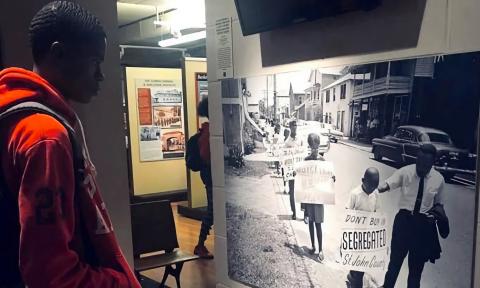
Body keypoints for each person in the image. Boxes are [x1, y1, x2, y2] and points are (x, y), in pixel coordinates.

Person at [0, 2, 141, 287]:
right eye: (95, 62)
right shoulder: (45, 136)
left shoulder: (14, 116)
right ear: (59, 53)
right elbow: (51, 273)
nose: (100, 75)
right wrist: (117, 283)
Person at [379, 144, 445, 288]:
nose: (421, 167)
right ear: (416, 158)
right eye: (419, 162)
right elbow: (388, 184)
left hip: (422, 228)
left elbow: (439, 204)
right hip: (404, 222)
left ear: (432, 163)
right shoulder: (406, 171)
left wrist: (435, 216)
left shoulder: (439, 179)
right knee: (394, 263)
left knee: (416, 270)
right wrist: (375, 189)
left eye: (425, 164)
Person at [302, 133, 335, 262]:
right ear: (309, 147)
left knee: (318, 223)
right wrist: (303, 206)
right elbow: (303, 183)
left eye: (316, 148)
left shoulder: (322, 161)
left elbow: (329, 176)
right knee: (310, 222)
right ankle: (313, 246)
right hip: (309, 197)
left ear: (319, 147)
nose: (314, 150)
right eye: (312, 148)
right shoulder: (306, 160)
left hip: (319, 198)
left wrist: (332, 178)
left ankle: (321, 249)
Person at [345, 168, 380, 288]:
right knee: (359, 263)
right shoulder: (355, 193)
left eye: (374, 187)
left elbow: (375, 211)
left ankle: (352, 276)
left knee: (363, 263)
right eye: (369, 186)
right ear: (363, 180)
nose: (371, 189)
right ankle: (355, 281)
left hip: (368, 233)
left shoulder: (376, 193)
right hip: (356, 233)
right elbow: (348, 213)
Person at [194, 97, 214, 259]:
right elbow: (207, 156)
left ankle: (200, 244)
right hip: (211, 176)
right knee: (212, 211)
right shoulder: (208, 133)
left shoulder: (208, 130)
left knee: (213, 210)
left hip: (209, 175)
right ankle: (200, 245)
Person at [284, 120, 304, 220]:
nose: (295, 127)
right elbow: (285, 157)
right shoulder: (287, 142)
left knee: (303, 190)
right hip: (291, 170)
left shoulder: (301, 139)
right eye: (293, 126)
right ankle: (294, 212)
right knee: (292, 191)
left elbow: (304, 152)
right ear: (290, 127)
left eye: (296, 125)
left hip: (300, 169)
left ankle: (305, 213)